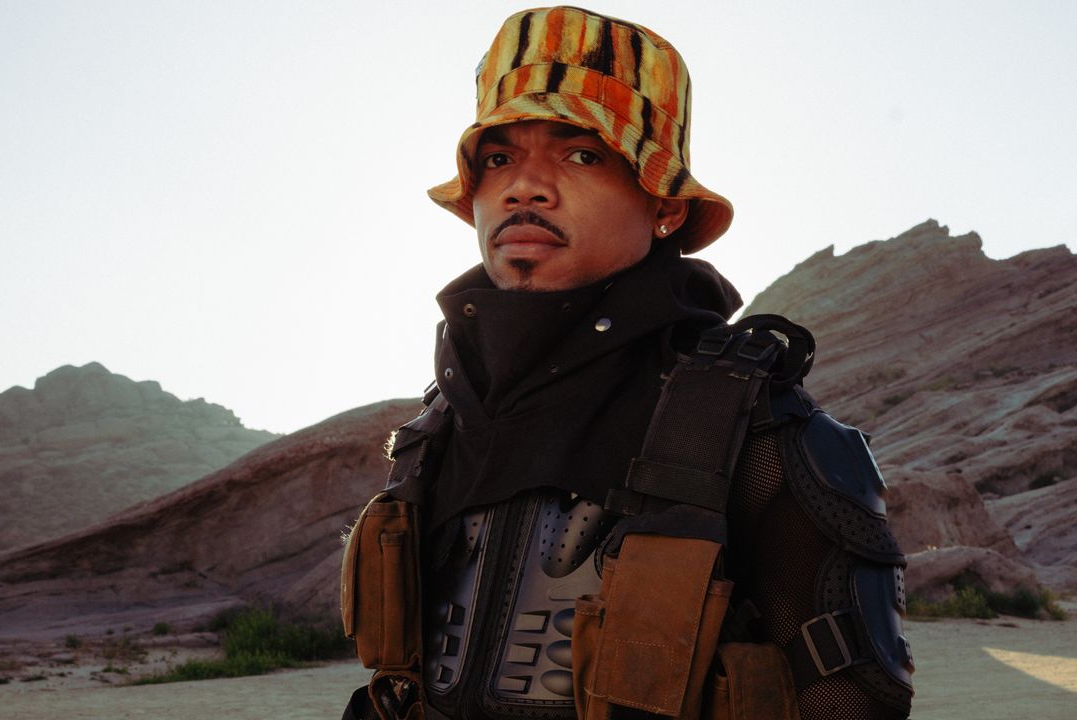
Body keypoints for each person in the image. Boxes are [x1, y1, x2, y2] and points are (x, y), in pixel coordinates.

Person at [341, 7, 913, 719]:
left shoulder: (750, 420)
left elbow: (856, 699)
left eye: (582, 155)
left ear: (662, 205)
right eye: (498, 159)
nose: (524, 187)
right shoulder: (438, 424)